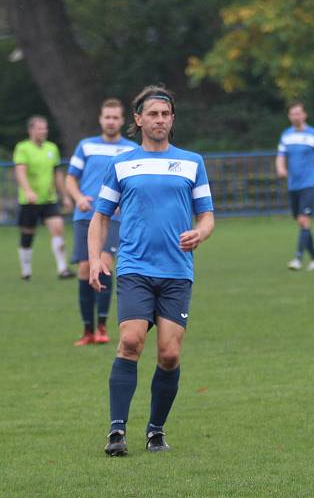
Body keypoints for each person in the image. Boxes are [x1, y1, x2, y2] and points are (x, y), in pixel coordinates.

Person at [88, 85, 214, 456]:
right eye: (153, 114)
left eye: (165, 114)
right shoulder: (122, 163)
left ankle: (156, 431)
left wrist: (200, 233)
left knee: (170, 355)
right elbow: (100, 217)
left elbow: (207, 215)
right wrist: (96, 258)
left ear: (172, 120)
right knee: (130, 342)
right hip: (134, 267)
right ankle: (116, 431)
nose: (159, 120)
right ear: (138, 120)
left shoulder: (192, 162)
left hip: (176, 271)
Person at [66, 99, 138, 346]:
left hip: (114, 218)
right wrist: (77, 198)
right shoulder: (86, 146)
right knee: (85, 269)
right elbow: (70, 179)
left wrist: (123, 201)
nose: (111, 121)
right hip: (86, 216)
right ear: (100, 119)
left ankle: (103, 326)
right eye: (107, 117)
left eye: (115, 117)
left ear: (122, 120)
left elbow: (135, 184)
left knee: (105, 264)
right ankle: (87, 329)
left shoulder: (130, 150)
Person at [13, 116, 75, 280]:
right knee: (28, 235)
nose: (43, 131)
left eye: (45, 128)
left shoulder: (51, 148)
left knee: (58, 229)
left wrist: (65, 196)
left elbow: (57, 174)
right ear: (31, 130)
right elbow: (20, 171)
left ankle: (62, 269)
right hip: (29, 200)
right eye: (40, 128)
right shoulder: (23, 148)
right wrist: (27, 191)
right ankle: (26, 271)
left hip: (49, 199)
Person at [275, 101, 314, 271]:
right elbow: (280, 156)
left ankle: (298, 259)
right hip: (293, 185)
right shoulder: (286, 135)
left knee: (303, 219)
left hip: (310, 183)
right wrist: (280, 168)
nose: (296, 116)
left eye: (298, 113)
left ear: (304, 115)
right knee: (303, 223)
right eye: (293, 114)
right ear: (289, 116)